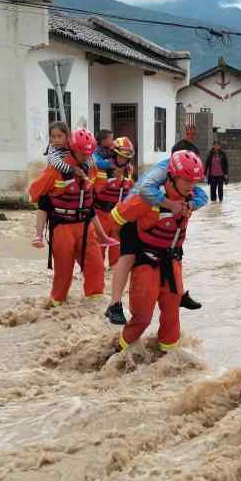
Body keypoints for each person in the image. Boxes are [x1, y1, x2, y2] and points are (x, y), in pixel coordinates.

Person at [109, 150, 205, 353]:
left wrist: (189, 204)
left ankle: (167, 358)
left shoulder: (191, 198)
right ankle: (119, 351)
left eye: (194, 181)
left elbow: (202, 199)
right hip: (147, 262)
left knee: (172, 315)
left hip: (172, 262)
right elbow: (116, 218)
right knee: (142, 317)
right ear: (171, 175)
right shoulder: (146, 198)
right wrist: (125, 243)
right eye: (186, 180)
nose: (191, 185)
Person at [29, 127, 109, 306]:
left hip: (85, 224)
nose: (85, 157)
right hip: (62, 225)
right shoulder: (55, 169)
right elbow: (36, 195)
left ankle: (94, 307)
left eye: (88, 154)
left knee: (96, 266)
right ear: (72, 149)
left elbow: (93, 194)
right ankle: (57, 305)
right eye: (81, 153)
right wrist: (39, 234)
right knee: (64, 272)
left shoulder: (90, 166)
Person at [94, 137, 135, 268]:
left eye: (126, 157)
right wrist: (113, 180)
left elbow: (130, 191)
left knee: (117, 246)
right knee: (98, 248)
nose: (123, 160)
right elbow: (96, 190)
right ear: (114, 154)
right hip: (101, 211)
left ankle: (114, 268)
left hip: (118, 214)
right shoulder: (102, 168)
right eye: (121, 156)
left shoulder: (129, 170)